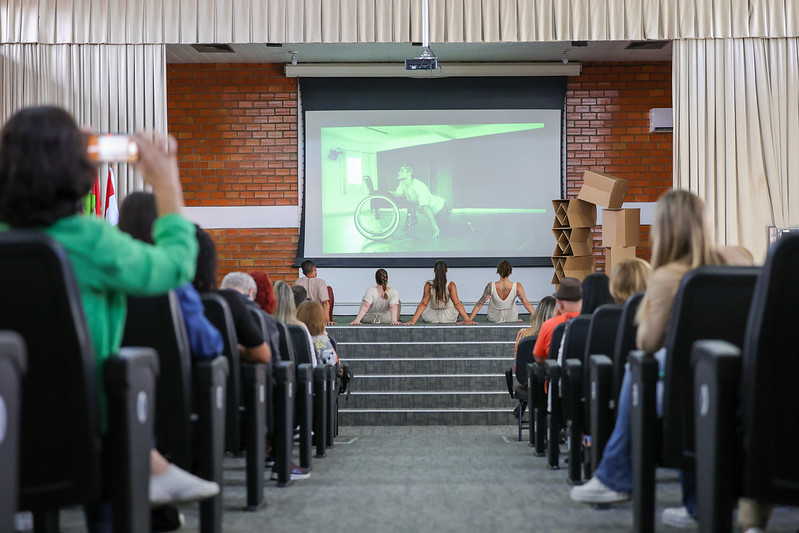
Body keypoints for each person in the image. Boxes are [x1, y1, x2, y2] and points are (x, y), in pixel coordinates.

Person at [0, 106, 218, 521]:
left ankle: (150, 463)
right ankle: (146, 465)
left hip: (9, 416)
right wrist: (166, 183)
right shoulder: (92, 240)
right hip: (84, 426)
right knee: (117, 389)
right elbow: (175, 266)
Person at [569, 189, 754, 530]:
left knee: (639, 368)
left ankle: (614, 477)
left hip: (686, 398)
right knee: (683, 372)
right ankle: (696, 503)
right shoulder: (738, 259)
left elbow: (647, 342)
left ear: (664, 230)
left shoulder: (667, 277)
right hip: (741, 389)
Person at [118, 191, 224, 359]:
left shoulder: (109, 278)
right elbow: (208, 345)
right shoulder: (173, 282)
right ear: (158, 225)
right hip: (170, 382)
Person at [390, 164, 456, 239]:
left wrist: (434, 226)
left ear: (409, 173)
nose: (399, 172)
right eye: (399, 170)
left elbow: (426, 207)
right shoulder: (402, 183)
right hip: (433, 210)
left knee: (450, 231)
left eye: (402, 171)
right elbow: (398, 194)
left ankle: (468, 227)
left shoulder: (418, 186)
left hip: (439, 208)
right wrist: (388, 194)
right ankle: (465, 227)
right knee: (445, 230)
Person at [405, 260, 475, 325]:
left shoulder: (429, 284)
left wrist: (412, 321)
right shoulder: (451, 285)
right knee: (459, 302)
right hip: (449, 318)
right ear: (446, 270)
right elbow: (457, 303)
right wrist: (467, 320)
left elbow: (423, 303)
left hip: (430, 317)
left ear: (434, 270)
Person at [532, 278, 583, 362]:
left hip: (558, 374)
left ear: (559, 302)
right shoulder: (593, 323)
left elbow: (539, 357)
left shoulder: (549, 325)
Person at [468, 260, 536, 322]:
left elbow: (480, 303)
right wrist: (539, 319)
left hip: (494, 318)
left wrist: (469, 320)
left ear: (498, 272)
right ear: (510, 272)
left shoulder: (491, 286)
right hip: (511, 318)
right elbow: (527, 304)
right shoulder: (517, 286)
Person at [296, 301, 339, 367]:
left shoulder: (294, 337)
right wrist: (325, 336)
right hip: (318, 375)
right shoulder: (322, 340)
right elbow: (333, 361)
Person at [295, 260, 334, 325]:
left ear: (303, 273)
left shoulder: (298, 282)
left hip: (302, 317)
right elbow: (325, 303)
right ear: (314, 268)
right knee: (329, 289)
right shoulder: (320, 282)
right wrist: (327, 320)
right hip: (317, 317)